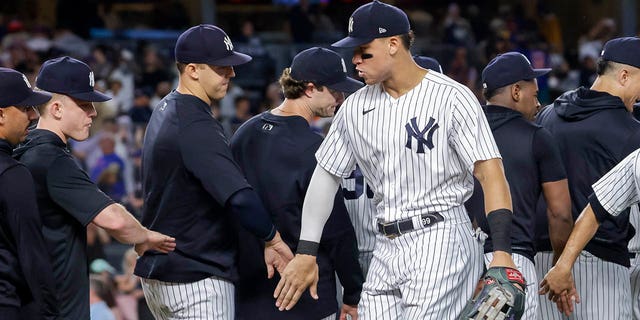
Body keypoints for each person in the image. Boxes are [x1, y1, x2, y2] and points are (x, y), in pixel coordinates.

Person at [274, 1, 523, 318]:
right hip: (385, 245)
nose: (354, 60)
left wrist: (502, 250)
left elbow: (491, 173)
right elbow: (325, 176)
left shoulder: (451, 96)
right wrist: (306, 251)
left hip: (440, 236)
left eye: (364, 51)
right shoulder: (355, 107)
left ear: (394, 44)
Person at [133, 24, 293, 320]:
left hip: (166, 273)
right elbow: (240, 198)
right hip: (195, 276)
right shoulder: (194, 122)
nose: (231, 74)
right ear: (192, 69)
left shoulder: (167, 107)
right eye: (221, 68)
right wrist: (273, 239)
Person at [13, 56, 176, 320]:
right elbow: (114, 220)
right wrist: (145, 236)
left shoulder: (24, 148)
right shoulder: (51, 158)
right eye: (84, 104)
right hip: (56, 307)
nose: (93, 113)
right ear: (56, 109)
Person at [230, 46, 364, 320]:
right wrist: (352, 292)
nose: (340, 99)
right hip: (307, 294)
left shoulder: (244, 133)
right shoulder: (315, 147)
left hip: (250, 294)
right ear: (310, 88)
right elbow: (336, 231)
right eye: (335, 90)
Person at [535, 36, 640, 318]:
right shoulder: (631, 132)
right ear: (624, 75)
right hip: (600, 266)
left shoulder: (548, 115)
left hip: (544, 265)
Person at [464, 52, 573, 320]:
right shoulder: (536, 136)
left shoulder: (460, 131)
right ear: (515, 91)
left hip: (457, 260)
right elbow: (560, 213)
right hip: (512, 263)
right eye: (534, 95)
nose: (538, 104)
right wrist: (561, 265)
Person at [0, 68, 58, 319]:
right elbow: (32, 253)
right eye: (24, 108)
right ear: (0, 114)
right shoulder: (11, 173)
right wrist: (50, 313)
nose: (33, 116)